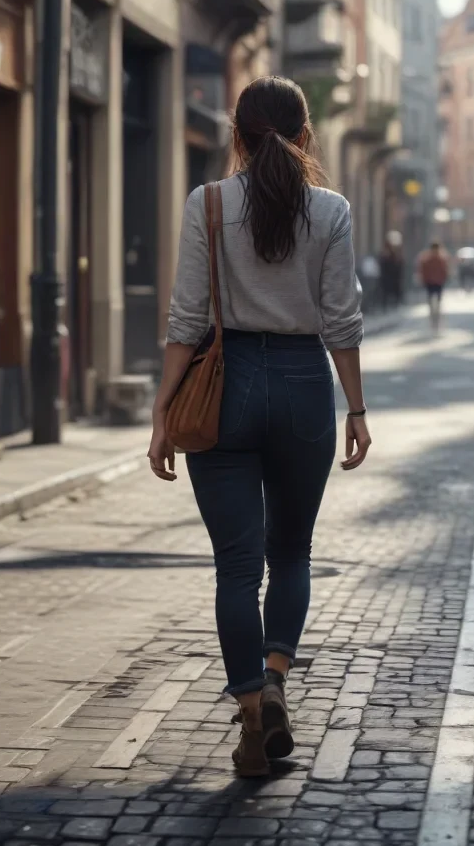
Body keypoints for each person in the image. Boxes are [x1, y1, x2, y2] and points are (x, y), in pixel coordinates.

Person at [146, 76, 371, 778]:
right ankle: (275, 679)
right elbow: (341, 318)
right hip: (305, 386)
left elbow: (186, 319)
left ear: (235, 138)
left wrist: (161, 415)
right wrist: (356, 408)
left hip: (226, 386)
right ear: (306, 139)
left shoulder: (207, 203)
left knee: (237, 568)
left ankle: (250, 712)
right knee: (293, 553)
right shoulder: (331, 210)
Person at [417, 241, 451, 331]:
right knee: (431, 300)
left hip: (439, 282)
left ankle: (436, 317)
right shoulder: (427, 259)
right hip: (430, 282)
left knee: (438, 300)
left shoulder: (442, 259)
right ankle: (433, 316)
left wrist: (445, 278)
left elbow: (445, 270)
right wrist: (423, 280)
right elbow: (423, 270)